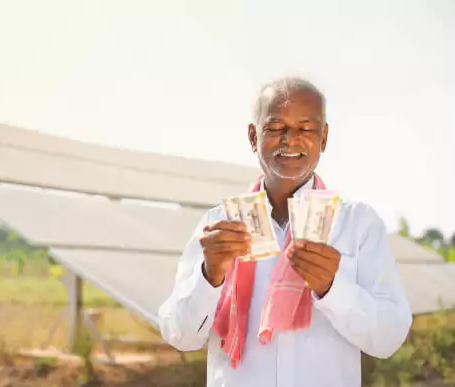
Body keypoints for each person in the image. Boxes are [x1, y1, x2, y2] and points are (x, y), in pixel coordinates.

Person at [157, 76, 412, 387]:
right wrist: (210, 276)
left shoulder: (357, 225)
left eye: (306, 128)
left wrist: (333, 289)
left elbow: (389, 338)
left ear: (324, 137)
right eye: (276, 128)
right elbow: (180, 336)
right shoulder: (219, 226)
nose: (291, 140)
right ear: (253, 137)